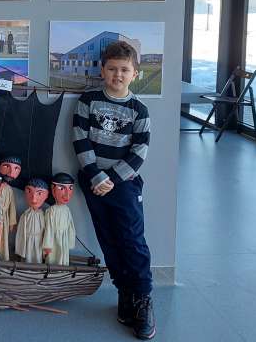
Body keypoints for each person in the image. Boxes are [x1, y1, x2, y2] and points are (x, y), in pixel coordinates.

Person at [74, 40, 155, 340]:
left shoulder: (139, 110)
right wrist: (96, 176)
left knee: (131, 240)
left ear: (135, 73)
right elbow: (80, 139)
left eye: (124, 70)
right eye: (112, 69)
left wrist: (111, 179)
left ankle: (143, 297)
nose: (117, 75)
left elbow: (139, 152)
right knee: (108, 238)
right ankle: (124, 293)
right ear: (102, 70)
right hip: (93, 181)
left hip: (124, 185)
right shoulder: (88, 101)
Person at [42, 172, 76, 266]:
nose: (67, 194)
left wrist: (70, 240)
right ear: (53, 189)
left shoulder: (67, 209)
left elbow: (70, 226)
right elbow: (48, 229)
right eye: (61, 188)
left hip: (64, 239)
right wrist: (47, 246)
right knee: (53, 259)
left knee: (63, 258)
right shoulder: (51, 210)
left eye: (70, 188)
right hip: (54, 239)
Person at [15, 177, 48, 263]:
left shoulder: (44, 216)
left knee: (38, 258)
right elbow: (20, 233)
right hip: (27, 241)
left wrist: (46, 247)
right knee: (27, 258)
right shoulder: (25, 215)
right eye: (29, 192)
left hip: (39, 242)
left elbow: (46, 232)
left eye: (39, 193)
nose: (33, 198)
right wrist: (20, 248)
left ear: (46, 195)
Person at [0, 155, 20, 261]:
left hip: (4, 218)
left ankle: (1, 257)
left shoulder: (9, 189)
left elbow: (12, 206)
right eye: (7, 167)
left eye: (16, 169)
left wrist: (12, 222)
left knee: (2, 239)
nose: (10, 172)